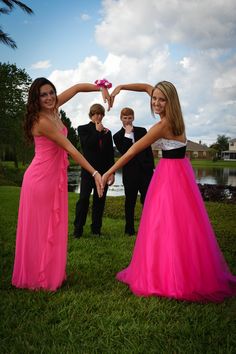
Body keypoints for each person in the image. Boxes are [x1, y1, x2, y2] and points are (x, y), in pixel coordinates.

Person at [102, 80, 236, 302]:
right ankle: (176, 268)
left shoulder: (163, 125)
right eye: (154, 98)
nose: (156, 102)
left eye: (161, 99)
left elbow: (134, 149)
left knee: (164, 223)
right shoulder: (174, 117)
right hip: (178, 171)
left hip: (171, 177)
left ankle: (170, 277)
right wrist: (121, 88)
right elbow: (147, 87)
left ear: (170, 101)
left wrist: (110, 171)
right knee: (180, 224)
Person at [12, 77, 110, 291]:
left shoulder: (54, 106)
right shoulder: (42, 121)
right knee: (42, 228)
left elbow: (76, 88)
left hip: (53, 178)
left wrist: (100, 88)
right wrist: (94, 172)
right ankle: (38, 277)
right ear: (36, 99)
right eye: (43, 95)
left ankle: (48, 272)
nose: (49, 98)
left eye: (51, 92)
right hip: (40, 180)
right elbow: (71, 149)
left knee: (52, 226)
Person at [73, 103, 115, 238]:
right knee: (83, 200)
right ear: (91, 114)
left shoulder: (108, 132)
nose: (99, 116)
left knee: (99, 201)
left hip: (103, 172)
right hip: (88, 171)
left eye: (101, 114)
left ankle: (96, 230)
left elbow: (110, 154)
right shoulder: (83, 129)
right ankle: (77, 230)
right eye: (96, 113)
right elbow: (87, 146)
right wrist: (97, 131)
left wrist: (112, 173)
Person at [113, 107, 154, 236]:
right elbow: (125, 152)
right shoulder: (117, 136)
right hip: (130, 174)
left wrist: (151, 167)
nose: (127, 121)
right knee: (130, 201)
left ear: (133, 118)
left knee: (147, 200)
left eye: (129, 118)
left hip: (145, 172)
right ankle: (129, 229)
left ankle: (148, 227)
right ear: (121, 119)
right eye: (125, 118)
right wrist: (127, 134)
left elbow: (148, 150)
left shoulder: (142, 131)